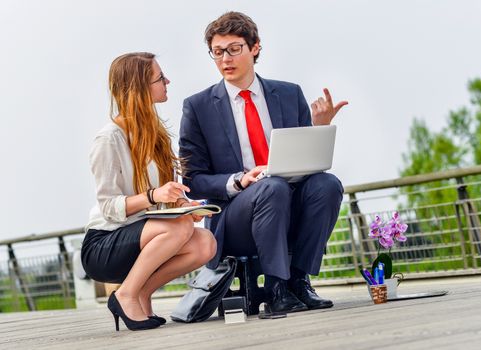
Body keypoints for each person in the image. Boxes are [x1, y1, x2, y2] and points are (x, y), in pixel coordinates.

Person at [179, 12, 346, 313]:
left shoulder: (288, 93)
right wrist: (238, 180)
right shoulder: (198, 107)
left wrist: (318, 128)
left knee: (327, 183)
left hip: (285, 201)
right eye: (218, 52)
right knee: (273, 187)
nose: (225, 59)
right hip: (235, 215)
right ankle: (276, 286)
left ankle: (298, 281)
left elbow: (303, 159)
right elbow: (193, 181)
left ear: (254, 47)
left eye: (234, 49)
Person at [81, 52, 217, 331]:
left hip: (145, 236)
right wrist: (155, 196)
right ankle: (126, 294)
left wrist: (182, 203)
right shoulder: (108, 139)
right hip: (104, 244)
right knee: (178, 228)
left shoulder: (155, 135)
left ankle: (141, 292)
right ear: (139, 88)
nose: (167, 81)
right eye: (159, 78)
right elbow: (109, 208)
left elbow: (160, 199)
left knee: (206, 243)